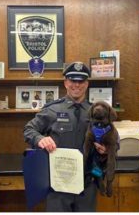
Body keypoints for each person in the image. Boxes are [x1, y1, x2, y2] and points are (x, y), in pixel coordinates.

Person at [23, 61, 107, 212]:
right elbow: (29, 129)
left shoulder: (97, 112)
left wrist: (105, 149)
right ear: (65, 83)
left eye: (80, 81)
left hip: (87, 184)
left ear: (86, 84)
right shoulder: (52, 110)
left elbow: (113, 139)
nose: (76, 85)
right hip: (58, 186)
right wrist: (40, 139)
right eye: (72, 80)